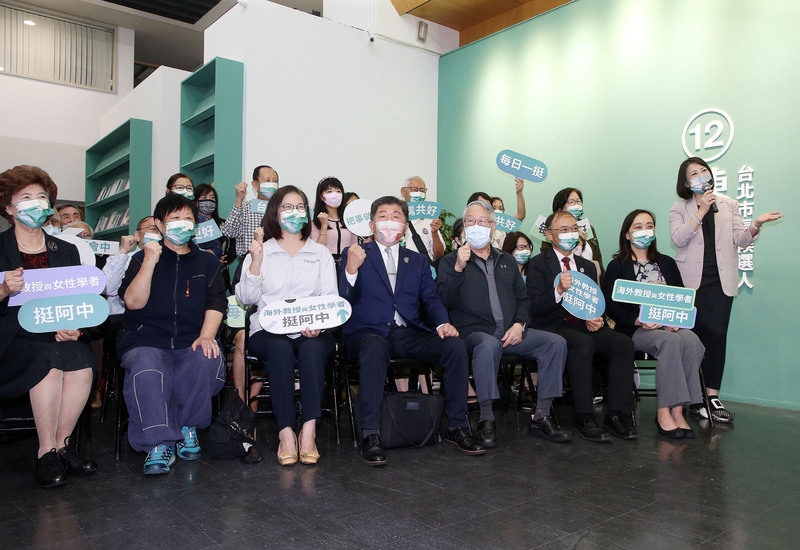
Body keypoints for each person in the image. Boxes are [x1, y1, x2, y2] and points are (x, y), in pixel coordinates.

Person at [340, 196, 485, 466]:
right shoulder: (356, 254)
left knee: (455, 346)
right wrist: (350, 269)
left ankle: (457, 426)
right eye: (383, 216)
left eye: (396, 216)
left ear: (405, 227)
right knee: (374, 349)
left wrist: (442, 323)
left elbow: (430, 299)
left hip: (408, 332)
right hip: (369, 333)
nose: (390, 221)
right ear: (371, 224)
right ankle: (371, 433)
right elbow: (342, 299)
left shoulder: (417, 261)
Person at [437, 201, 569, 447]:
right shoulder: (450, 261)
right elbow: (445, 301)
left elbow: (523, 299)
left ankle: (541, 416)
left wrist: (519, 324)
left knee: (555, 343)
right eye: (470, 221)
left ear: (493, 226)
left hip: (511, 332)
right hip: (474, 334)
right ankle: (486, 419)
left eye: (482, 221)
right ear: (464, 227)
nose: (476, 226)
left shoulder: (506, 260)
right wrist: (458, 268)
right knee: (488, 345)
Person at [0, 165, 97, 487]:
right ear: (9, 208)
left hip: (56, 333)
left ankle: (63, 446)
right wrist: (3, 290)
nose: (36, 202)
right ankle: (46, 451)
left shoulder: (66, 250)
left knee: (81, 360)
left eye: (41, 196)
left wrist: (76, 327)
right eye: (26, 197)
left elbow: (77, 302)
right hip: (12, 339)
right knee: (49, 361)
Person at [118, 194, 226, 475]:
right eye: (174, 218)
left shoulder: (207, 263)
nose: (182, 223)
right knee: (147, 368)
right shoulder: (141, 258)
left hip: (191, 339)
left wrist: (207, 335)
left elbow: (216, 303)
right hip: (146, 340)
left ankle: (187, 426)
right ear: (159, 224)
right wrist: (149, 261)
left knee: (206, 358)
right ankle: (159, 443)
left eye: (188, 218)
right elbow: (133, 302)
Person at [669, 157, 782, 423]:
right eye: (694, 173)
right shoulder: (679, 208)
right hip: (690, 283)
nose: (701, 175)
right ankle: (692, 397)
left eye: (704, 170)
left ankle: (711, 396)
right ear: (686, 183)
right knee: (691, 340)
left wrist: (755, 225)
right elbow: (678, 239)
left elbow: (740, 240)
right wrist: (700, 211)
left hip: (720, 281)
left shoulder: (729, 204)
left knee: (717, 337)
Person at [236, 186, 336, 466]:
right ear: (275, 213)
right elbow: (246, 298)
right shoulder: (261, 251)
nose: (295, 212)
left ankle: (309, 431)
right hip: (268, 332)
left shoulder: (320, 253)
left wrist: (319, 324)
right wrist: (256, 264)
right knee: (279, 350)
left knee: (312, 350)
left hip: (312, 329)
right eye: (287, 207)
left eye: (300, 207)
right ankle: (285, 433)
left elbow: (330, 297)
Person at [527, 211, 637, 442]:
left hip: (586, 325)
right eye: (563, 230)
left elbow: (595, 300)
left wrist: (597, 317)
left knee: (623, 343)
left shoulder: (588, 265)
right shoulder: (537, 264)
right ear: (549, 235)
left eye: (573, 228)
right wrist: (558, 291)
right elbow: (534, 307)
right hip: (554, 327)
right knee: (582, 343)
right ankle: (585, 416)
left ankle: (617, 415)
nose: (570, 234)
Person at [604, 209, 705, 438]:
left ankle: (679, 410)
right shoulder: (617, 265)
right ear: (627, 234)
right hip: (637, 329)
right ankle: (663, 411)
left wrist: (676, 319)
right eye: (638, 227)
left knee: (692, 341)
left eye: (649, 226)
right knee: (669, 343)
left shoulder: (666, 262)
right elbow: (610, 304)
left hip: (669, 326)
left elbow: (682, 297)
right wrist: (637, 319)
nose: (645, 231)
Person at [222, 165, 280, 260]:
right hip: (249, 262)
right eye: (267, 180)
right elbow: (229, 232)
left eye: (274, 181)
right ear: (255, 185)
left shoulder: (282, 209)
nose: (271, 184)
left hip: (277, 262)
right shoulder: (245, 208)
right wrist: (239, 199)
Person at [541, 187, 602, 266]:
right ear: (559, 208)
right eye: (571, 202)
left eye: (578, 201)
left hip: (588, 271)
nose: (576, 205)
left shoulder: (588, 227)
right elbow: (547, 259)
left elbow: (597, 257)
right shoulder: (552, 230)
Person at [310, 176, 357, 262]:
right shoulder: (315, 223)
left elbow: (355, 247)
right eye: (329, 191)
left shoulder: (348, 221)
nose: (335, 195)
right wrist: (324, 226)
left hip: (347, 264)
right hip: (325, 264)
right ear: (321, 197)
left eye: (338, 191)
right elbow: (318, 251)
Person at [400, 176, 444, 261]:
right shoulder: (395, 217)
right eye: (414, 190)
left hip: (423, 267)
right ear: (403, 191)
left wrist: (434, 233)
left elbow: (439, 254)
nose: (419, 193)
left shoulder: (430, 219)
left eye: (422, 190)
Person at [489, 177, 526, 248]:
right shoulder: (483, 225)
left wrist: (519, 193)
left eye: (500, 208)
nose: (497, 211)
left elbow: (521, 215)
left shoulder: (506, 224)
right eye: (494, 208)